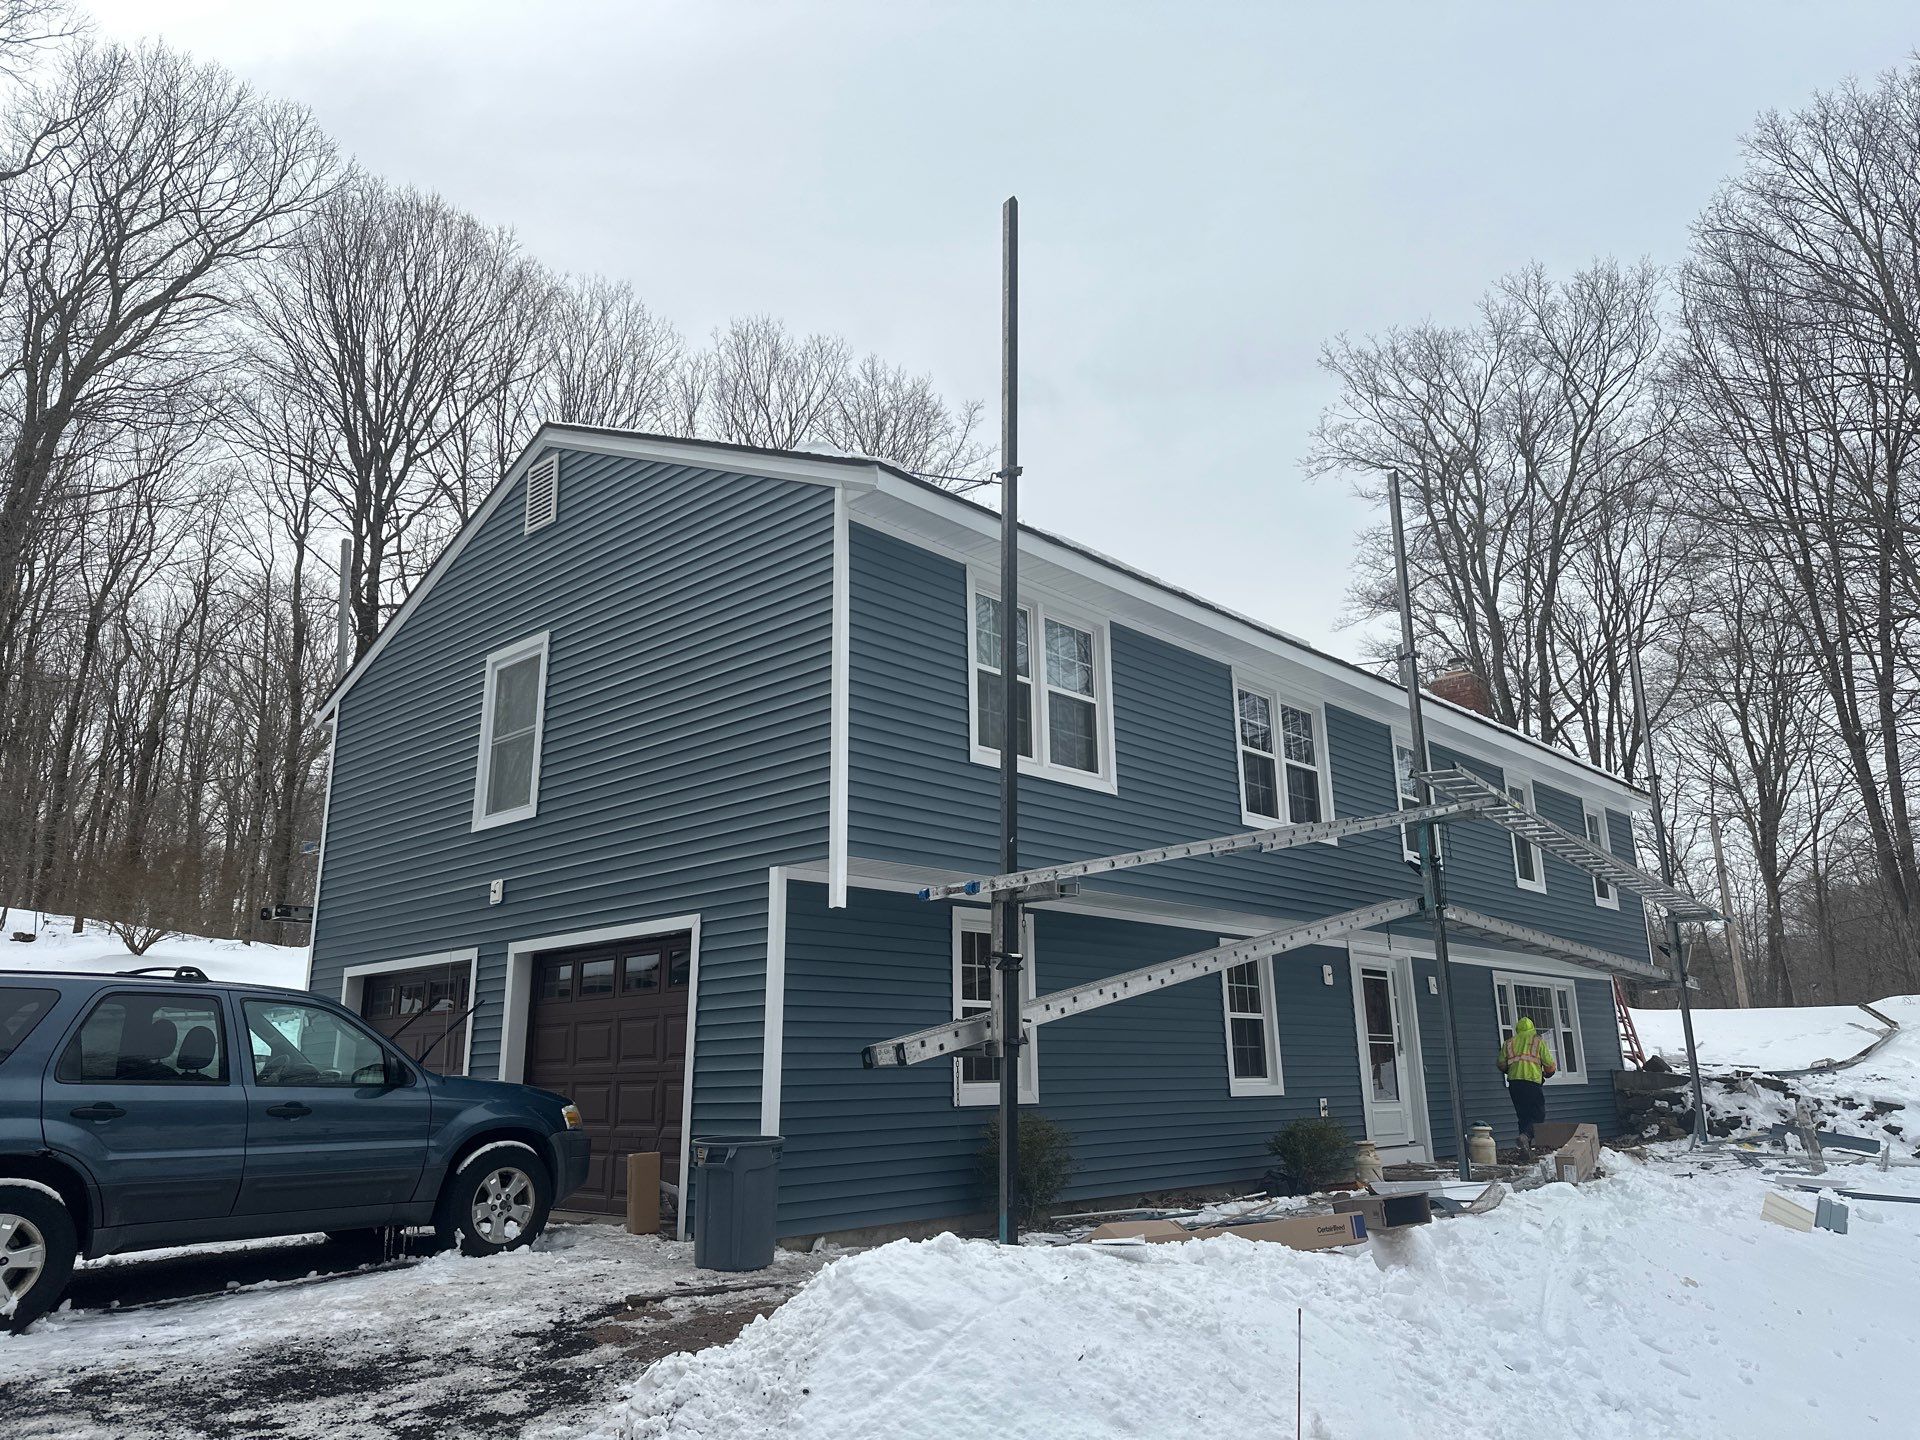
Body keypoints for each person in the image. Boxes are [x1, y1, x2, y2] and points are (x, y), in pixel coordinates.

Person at [1498, 1016, 1557, 1152]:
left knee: (1523, 1115)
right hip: (1532, 1084)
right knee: (1538, 1115)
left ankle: (1525, 1148)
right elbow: (1550, 1066)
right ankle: (1526, 1137)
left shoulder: (1509, 1043)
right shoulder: (1537, 1041)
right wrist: (1547, 1074)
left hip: (1514, 1084)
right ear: (1532, 1028)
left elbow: (1501, 1064)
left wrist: (1511, 1070)